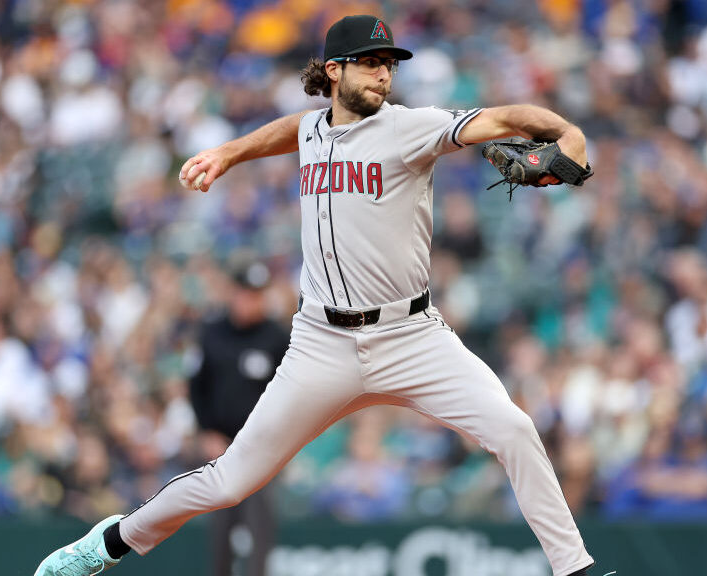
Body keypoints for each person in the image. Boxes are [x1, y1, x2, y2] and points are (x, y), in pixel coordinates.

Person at [35, 14, 597, 576]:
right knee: (231, 480)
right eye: (372, 63)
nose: (384, 74)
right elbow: (294, 129)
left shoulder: (411, 126)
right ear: (334, 70)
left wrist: (567, 134)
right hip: (321, 343)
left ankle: (574, 570)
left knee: (515, 430)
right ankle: (106, 544)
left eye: (389, 65)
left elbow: (502, 117)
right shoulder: (312, 130)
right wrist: (230, 152)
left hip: (411, 335)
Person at [189, 258, 288, 576]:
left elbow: (290, 396)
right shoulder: (212, 332)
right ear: (233, 293)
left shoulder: (277, 336)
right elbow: (196, 386)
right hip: (220, 446)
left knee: (260, 528)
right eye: (246, 293)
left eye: (258, 294)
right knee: (221, 529)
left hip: (263, 448)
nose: (251, 301)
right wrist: (206, 431)